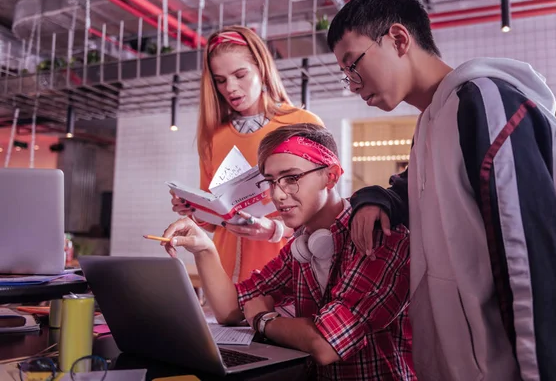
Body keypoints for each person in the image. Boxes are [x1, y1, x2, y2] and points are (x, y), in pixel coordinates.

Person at [327, 0, 556, 381]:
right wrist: (378, 199)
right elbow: (417, 191)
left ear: (399, 39)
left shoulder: (485, 101)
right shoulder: (431, 122)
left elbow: (534, 260)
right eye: (344, 74)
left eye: (354, 64)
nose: (352, 83)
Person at [160, 123, 416, 380]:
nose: (277, 195)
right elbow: (230, 310)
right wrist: (204, 248)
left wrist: (262, 319)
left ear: (331, 176)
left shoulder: (379, 235)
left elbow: (326, 344)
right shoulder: (302, 244)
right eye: (271, 181)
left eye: (291, 179)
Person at [171, 25, 323, 282]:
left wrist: (276, 230)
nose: (230, 88)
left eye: (240, 75)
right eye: (220, 80)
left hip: (288, 270)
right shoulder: (213, 137)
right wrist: (193, 209)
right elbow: (213, 221)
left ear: (262, 70)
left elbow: (323, 213)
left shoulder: (302, 123)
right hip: (225, 273)